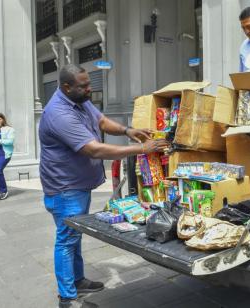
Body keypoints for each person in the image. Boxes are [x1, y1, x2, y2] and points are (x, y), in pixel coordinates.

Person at [39, 64, 169, 308]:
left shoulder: (79, 99)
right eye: (84, 86)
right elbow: (94, 149)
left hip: (78, 184)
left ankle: (77, 281)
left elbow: (101, 121)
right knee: (67, 239)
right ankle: (67, 298)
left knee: (74, 235)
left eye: (89, 83)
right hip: (65, 188)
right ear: (67, 87)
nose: (90, 89)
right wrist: (142, 148)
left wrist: (128, 130)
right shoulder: (58, 113)